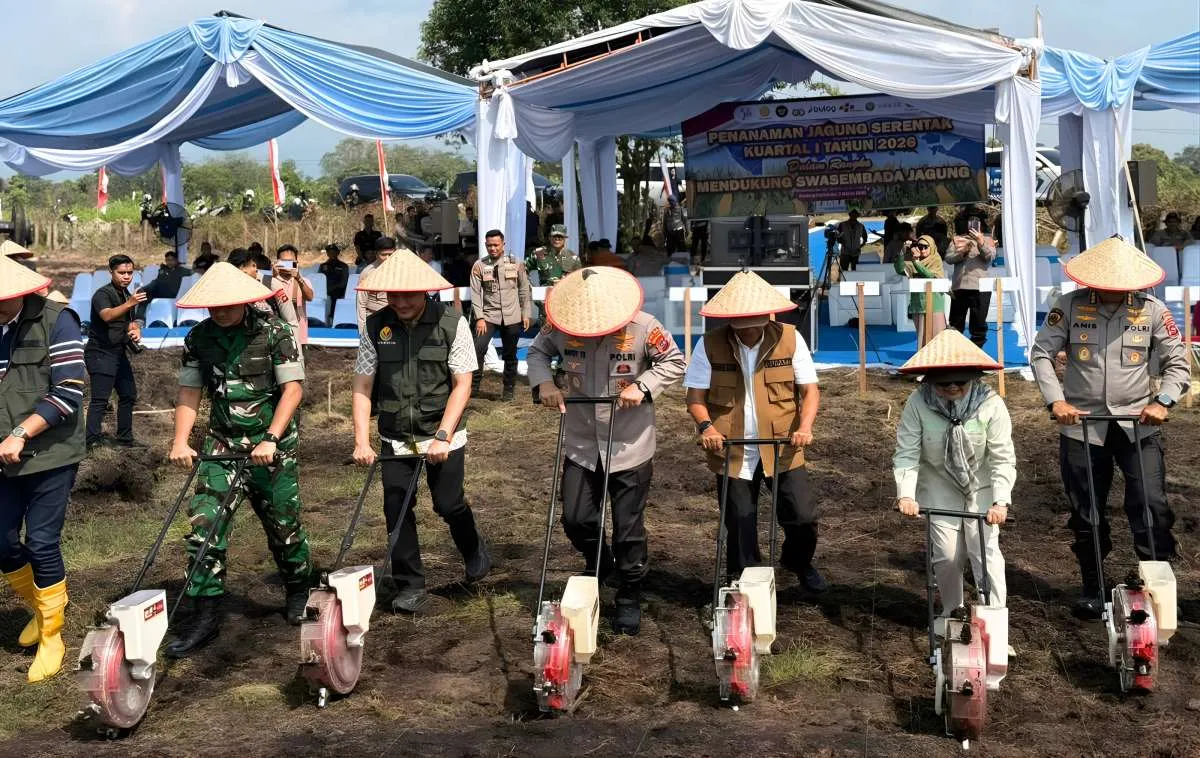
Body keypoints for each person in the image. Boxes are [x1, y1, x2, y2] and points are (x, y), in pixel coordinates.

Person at [1030, 236, 1189, 618]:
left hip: (1138, 422)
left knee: (1151, 503)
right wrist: (1057, 402)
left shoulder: (1152, 310)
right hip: (1082, 425)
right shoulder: (1068, 306)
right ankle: (1094, 586)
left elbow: (1178, 363)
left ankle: (1157, 586)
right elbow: (1041, 353)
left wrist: (1163, 401)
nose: (1114, 289)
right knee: (1087, 510)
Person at [164, 262, 315, 656]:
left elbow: (293, 391)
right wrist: (181, 440)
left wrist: (270, 438)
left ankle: (299, 588)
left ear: (245, 300)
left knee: (284, 528)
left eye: (228, 304)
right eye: (213, 305)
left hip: (271, 448)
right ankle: (205, 614)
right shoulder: (199, 338)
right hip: (221, 448)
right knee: (203, 529)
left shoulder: (275, 333)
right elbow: (189, 392)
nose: (220, 310)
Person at [528, 267, 686, 635]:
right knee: (576, 518)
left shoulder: (644, 326)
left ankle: (630, 594)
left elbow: (674, 361)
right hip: (582, 441)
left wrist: (643, 386)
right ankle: (599, 561)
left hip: (630, 443)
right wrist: (546, 384)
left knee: (628, 528)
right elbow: (537, 352)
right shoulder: (562, 326)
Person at [351, 249, 491, 612]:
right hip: (395, 436)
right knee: (396, 510)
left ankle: (473, 547)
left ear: (424, 292)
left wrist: (444, 434)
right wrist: (361, 441)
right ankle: (410, 585)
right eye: (393, 296)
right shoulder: (375, 326)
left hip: (441, 432)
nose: (400, 302)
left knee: (448, 503)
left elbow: (462, 383)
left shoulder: (451, 322)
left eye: (408, 295)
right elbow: (363, 385)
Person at [683, 271, 826, 592]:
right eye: (742, 324)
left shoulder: (790, 339)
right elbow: (695, 397)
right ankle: (744, 579)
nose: (748, 331)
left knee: (802, 516)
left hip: (783, 444)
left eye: (754, 324)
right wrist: (706, 426)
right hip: (731, 448)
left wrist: (804, 427)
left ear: (767, 316)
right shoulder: (710, 344)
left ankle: (798, 562)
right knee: (739, 521)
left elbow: (810, 391)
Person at [893, 330, 1014, 642]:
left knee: (984, 552)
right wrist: (906, 494)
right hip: (939, 484)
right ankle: (952, 613)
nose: (952, 388)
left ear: (973, 377)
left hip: (983, 488)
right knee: (947, 555)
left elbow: (1002, 457)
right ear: (930, 381)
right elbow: (907, 452)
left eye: (959, 382)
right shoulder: (917, 403)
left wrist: (1000, 501)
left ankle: (995, 624)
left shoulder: (991, 404)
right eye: (943, 383)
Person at [0, 256, 86, 683]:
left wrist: (20, 432)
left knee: (41, 541)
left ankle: (52, 635)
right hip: (3, 454)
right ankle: (39, 606)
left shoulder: (57, 320)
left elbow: (68, 391)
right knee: (1, 541)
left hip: (50, 452)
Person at [84, 254, 144, 450]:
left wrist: (135, 329)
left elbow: (126, 323)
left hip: (118, 351)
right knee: (100, 399)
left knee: (128, 394)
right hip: (100, 352)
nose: (126, 276)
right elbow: (107, 316)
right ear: (111, 272)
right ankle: (91, 441)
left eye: (129, 272)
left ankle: (125, 439)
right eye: (122, 273)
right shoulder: (103, 294)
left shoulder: (127, 295)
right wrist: (130, 304)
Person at [470, 230, 531, 401]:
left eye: (496, 244)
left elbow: (524, 290)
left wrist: (526, 314)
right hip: (489, 315)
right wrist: (479, 317)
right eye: (489, 245)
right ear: (485, 245)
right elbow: (475, 293)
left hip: (512, 315)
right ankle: (473, 388)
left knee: (510, 354)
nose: (493, 248)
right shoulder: (479, 266)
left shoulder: (516, 263)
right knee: (478, 348)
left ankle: (508, 390)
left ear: (503, 244)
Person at [944, 216, 998, 347]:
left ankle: (977, 350)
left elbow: (990, 257)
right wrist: (961, 253)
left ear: (980, 225)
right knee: (956, 322)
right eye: (970, 223)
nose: (972, 226)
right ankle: (956, 350)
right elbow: (948, 258)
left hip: (980, 287)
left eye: (976, 224)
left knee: (979, 323)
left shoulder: (987, 239)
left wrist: (981, 242)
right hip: (960, 286)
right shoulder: (958, 240)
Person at [894, 235, 947, 345]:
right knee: (922, 337)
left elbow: (930, 275)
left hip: (934, 304)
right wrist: (903, 252)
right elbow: (899, 269)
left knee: (937, 337)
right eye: (919, 246)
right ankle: (924, 359)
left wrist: (916, 262)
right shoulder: (913, 263)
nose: (922, 249)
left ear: (932, 247)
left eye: (925, 247)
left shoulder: (936, 261)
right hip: (918, 304)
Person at [273, 245, 314, 346]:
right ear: (277, 262)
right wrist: (273, 276)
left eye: (291, 262)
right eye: (284, 262)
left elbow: (310, 297)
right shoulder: (271, 281)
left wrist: (299, 278)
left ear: (296, 262)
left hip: (299, 336)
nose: (287, 265)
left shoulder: (303, 281)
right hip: (276, 334)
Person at [357, 237, 398, 331]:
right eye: (383, 255)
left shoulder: (401, 270)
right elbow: (361, 302)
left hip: (398, 319)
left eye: (390, 254)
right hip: (375, 318)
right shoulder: (367, 273)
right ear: (376, 254)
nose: (387, 258)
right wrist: (362, 330)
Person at [319, 244, 350, 324]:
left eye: (334, 252)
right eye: (330, 252)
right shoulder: (323, 266)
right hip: (324, 291)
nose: (332, 254)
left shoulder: (343, 266)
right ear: (327, 253)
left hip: (338, 292)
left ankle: (332, 318)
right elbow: (319, 280)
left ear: (337, 253)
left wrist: (332, 288)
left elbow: (344, 282)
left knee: (334, 296)